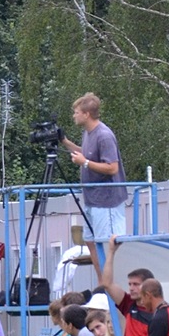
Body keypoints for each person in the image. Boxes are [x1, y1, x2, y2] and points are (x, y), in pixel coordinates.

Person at [61, 92, 127, 276]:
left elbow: (112, 167)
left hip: (107, 202)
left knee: (108, 245)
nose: (74, 115)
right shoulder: (88, 133)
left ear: (86, 114)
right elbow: (87, 153)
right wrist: (65, 142)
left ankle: (114, 290)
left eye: (76, 112)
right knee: (90, 242)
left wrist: (85, 163)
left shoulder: (104, 135)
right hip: (92, 200)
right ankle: (103, 286)